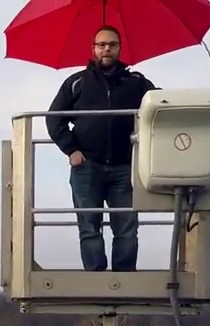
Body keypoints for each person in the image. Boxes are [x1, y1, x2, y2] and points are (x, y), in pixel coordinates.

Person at [46, 25, 156, 272]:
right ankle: (95, 278)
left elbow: (160, 107)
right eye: (102, 44)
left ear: (119, 48)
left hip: (125, 168)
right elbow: (54, 119)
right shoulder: (76, 82)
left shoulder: (137, 83)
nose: (107, 49)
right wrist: (71, 149)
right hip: (86, 168)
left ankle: (124, 279)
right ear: (93, 49)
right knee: (89, 227)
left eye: (112, 44)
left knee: (127, 228)